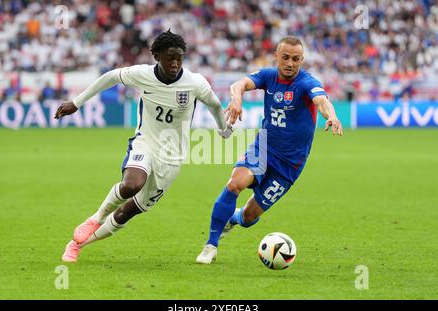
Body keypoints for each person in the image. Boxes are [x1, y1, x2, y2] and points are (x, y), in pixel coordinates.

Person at [55, 29, 232, 262]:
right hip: (145, 142)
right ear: (156, 55)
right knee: (131, 185)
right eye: (170, 57)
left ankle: (78, 245)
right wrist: (77, 102)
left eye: (179, 57)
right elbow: (109, 77)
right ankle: (95, 218)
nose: (176, 63)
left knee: (127, 211)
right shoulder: (142, 74)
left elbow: (215, 105)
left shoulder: (195, 82)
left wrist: (223, 128)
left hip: (172, 158)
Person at [196, 36, 343, 264]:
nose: (290, 63)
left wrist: (331, 115)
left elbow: (321, 100)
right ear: (276, 57)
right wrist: (236, 100)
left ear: (302, 60)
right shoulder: (267, 76)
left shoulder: (306, 82)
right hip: (264, 147)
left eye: (296, 59)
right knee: (235, 184)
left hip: (289, 165)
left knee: (249, 216)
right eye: (285, 58)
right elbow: (239, 84)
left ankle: (232, 219)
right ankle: (210, 246)